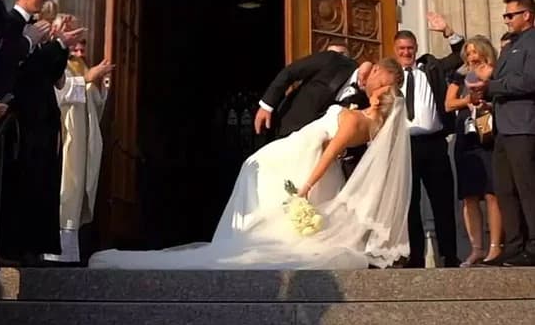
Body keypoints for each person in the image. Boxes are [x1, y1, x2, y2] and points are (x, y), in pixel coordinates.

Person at [90, 59, 411, 270]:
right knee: (253, 173)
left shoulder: (356, 119)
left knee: (253, 171)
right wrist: (268, 104)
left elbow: (331, 153)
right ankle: (241, 238)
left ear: (381, 86)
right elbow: (293, 74)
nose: (372, 81)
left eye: (380, 81)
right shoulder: (361, 109)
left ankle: (242, 242)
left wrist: (307, 187)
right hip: (298, 146)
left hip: (304, 156)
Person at [6, 0, 84, 260]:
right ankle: (22, 247)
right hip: (26, 119)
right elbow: (21, 68)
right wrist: (58, 44)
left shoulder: (35, 29)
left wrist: (61, 47)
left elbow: (49, 75)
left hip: (42, 120)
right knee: (28, 183)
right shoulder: (14, 25)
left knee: (42, 183)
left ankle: (35, 246)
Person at [467, 0, 535, 266]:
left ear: (527, 15)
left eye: (511, 15)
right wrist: (486, 94)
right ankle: (514, 244)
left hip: (524, 125)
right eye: (505, 15)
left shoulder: (532, 43)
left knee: (527, 187)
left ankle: (533, 244)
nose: (506, 19)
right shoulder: (510, 47)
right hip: (503, 127)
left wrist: (491, 86)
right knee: (505, 188)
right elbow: (504, 81)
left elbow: (529, 81)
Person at [394, 12, 464, 268]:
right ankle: (415, 257)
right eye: (401, 48)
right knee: (409, 203)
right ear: (395, 49)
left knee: (443, 200)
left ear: (416, 49)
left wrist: (447, 30)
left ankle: (449, 255)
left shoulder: (431, 68)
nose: (406, 52)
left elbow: (460, 56)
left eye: (410, 48)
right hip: (405, 146)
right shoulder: (391, 76)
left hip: (434, 143)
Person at [44, 19, 113, 264]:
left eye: (83, 45)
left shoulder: (80, 65)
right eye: (76, 46)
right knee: (62, 192)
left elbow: (93, 104)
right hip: (63, 139)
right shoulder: (54, 60)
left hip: (80, 144)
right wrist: (86, 79)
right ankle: (51, 254)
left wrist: (98, 84)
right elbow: (56, 92)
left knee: (73, 196)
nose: (80, 51)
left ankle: (69, 254)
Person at [445, 36, 502, 266]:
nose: (471, 56)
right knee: (468, 195)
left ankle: (495, 246)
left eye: (475, 51)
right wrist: (468, 99)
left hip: (488, 134)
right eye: (468, 52)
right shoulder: (459, 75)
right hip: (466, 136)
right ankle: (476, 248)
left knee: (491, 192)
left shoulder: (496, 73)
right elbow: (448, 103)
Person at [254, 42, 369, 139]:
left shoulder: (365, 97)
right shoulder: (329, 59)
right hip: (288, 130)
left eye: (342, 54)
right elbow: (290, 72)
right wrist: (266, 106)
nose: (339, 56)